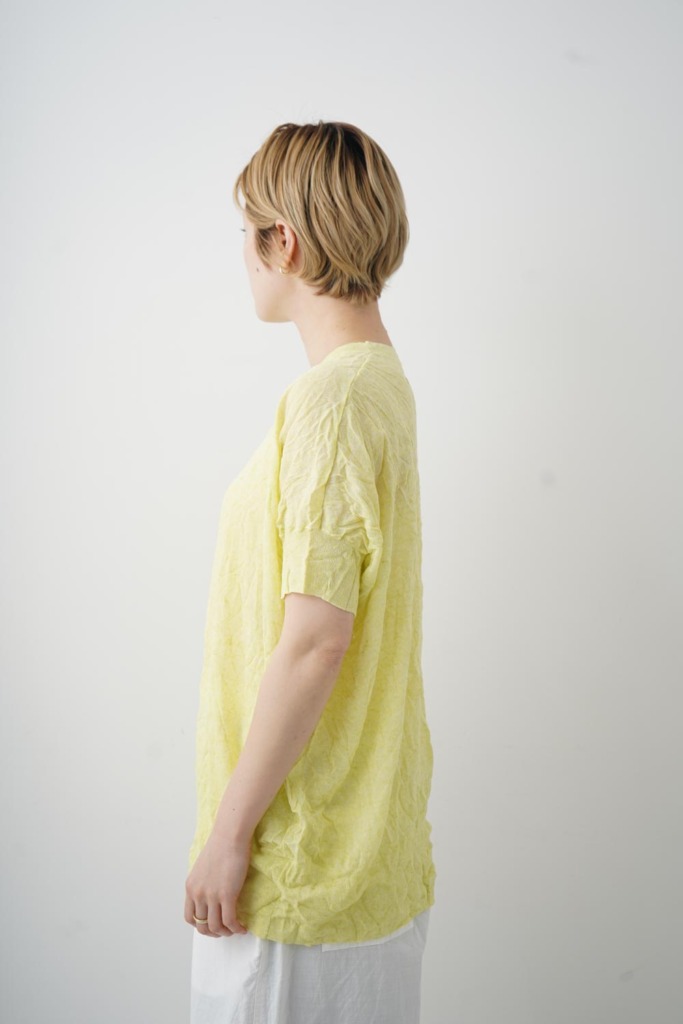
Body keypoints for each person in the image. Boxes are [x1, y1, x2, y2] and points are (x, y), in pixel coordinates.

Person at [185, 120, 437, 1024]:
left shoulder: (332, 402)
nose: (243, 256)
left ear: (282, 242)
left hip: (297, 868)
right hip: (357, 858)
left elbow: (315, 641)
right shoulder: (379, 384)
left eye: (246, 231)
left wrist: (229, 836)